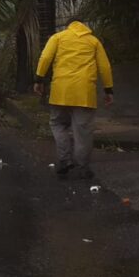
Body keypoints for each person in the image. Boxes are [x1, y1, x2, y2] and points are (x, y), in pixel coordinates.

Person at [34, 18, 114, 180]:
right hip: (84, 93)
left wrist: (38, 79)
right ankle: (83, 167)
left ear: (68, 26)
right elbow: (104, 66)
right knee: (83, 131)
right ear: (85, 27)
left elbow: (45, 57)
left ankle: (64, 160)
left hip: (60, 91)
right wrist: (108, 89)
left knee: (58, 124)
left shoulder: (58, 37)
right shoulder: (93, 41)